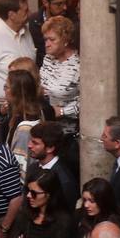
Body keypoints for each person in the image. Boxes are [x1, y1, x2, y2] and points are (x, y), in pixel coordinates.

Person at [39, 15, 80, 145]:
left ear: (66, 41)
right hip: (44, 128)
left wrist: (62, 111)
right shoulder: (48, 58)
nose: (47, 44)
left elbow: (89, 103)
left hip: (65, 134)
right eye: (45, 39)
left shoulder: (79, 66)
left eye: (52, 39)